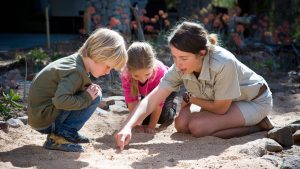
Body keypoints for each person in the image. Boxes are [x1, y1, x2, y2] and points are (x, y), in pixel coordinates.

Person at [115, 21, 274, 150]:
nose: (177, 63)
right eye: (174, 57)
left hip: (253, 101)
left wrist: (193, 100)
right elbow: (151, 99)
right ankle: (235, 122)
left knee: (198, 127)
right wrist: (127, 126)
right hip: (226, 101)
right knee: (182, 125)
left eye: (183, 58)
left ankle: (258, 126)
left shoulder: (224, 62)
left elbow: (221, 109)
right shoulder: (180, 66)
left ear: (202, 53)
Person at [28, 28, 128, 152]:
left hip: (41, 115)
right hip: (44, 120)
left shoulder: (77, 61)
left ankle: (68, 131)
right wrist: (86, 97)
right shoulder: (76, 72)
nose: (107, 72)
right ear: (98, 54)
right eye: (108, 66)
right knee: (94, 96)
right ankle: (59, 137)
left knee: (94, 94)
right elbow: (61, 100)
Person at [121, 42, 176, 134]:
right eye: (136, 76)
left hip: (165, 91)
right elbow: (131, 101)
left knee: (162, 118)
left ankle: (172, 108)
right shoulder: (126, 74)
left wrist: (152, 126)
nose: (142, 79)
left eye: (147, 74)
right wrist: (137, 125)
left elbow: (158, 103)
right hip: (145, 92)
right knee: (143, 118)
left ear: (153, 66)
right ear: (129, 70)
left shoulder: (160, 72)